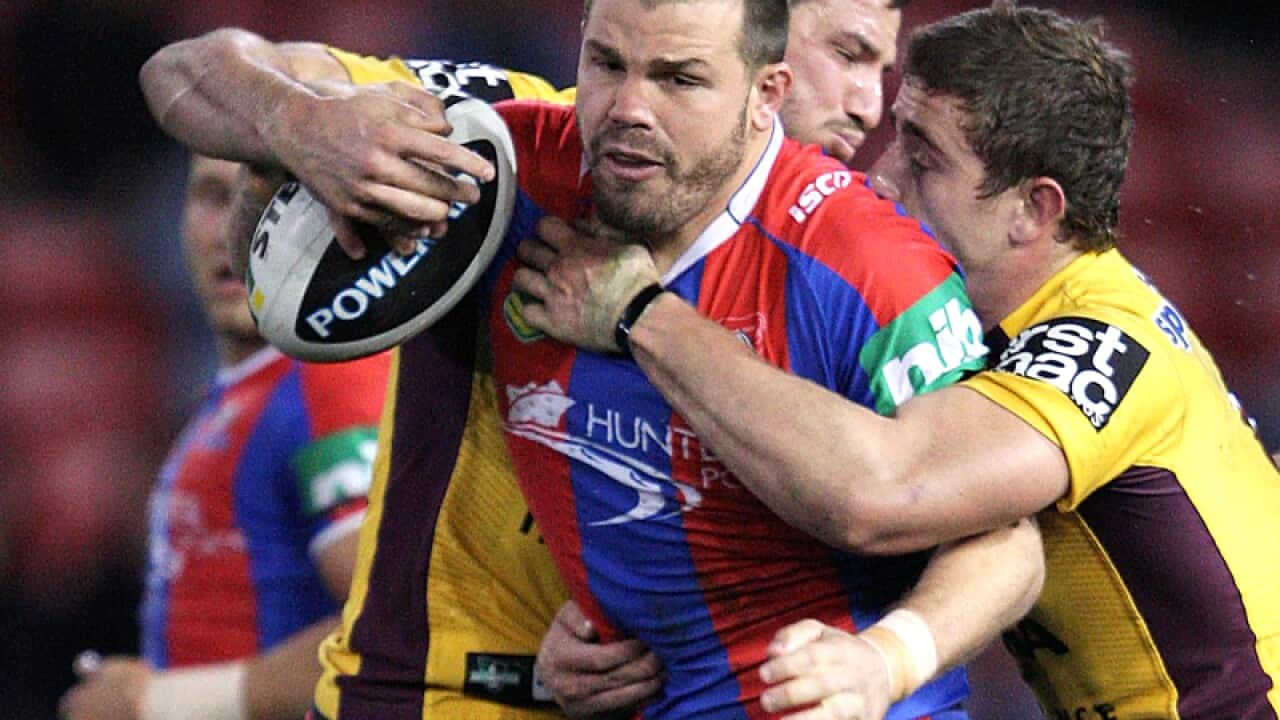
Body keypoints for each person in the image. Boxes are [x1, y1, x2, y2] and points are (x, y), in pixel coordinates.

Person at [139, 1, 1046, 717]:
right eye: (607, 63)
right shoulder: (506, 160)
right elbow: (200, 82)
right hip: (445, 688)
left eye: (679, 76)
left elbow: (992, 531)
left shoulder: (868, 259)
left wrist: (886, 661)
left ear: (760, 80)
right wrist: (301, 127)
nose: (866, 102)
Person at [516, 4, 1280, 719]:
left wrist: (641, 314)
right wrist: (628, 616)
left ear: (1034, 210)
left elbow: (889, 490)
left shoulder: (1101, 342)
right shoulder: (971, 325)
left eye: (924, 158)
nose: (883, 176)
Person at [57, 156, 389, 720]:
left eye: (276, 198)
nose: (238, 230)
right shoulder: (244, 394)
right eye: (214, 197)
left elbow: (394, 626)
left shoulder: (329, 382)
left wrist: (160, 703)